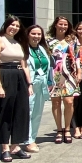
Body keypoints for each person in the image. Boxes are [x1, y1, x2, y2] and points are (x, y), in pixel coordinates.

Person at [0, 16, 33, 162]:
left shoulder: (18, 42)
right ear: (6, 25)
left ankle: (16, 145)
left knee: (22, 111)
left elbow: (24, 64)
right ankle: (5, 148)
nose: (14, 28)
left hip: (20, 75)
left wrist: (29, 83)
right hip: (5, 75)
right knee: (5, 111)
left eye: (17, 26)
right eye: (12, 25)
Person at [47, 16, 81, 144]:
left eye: (65, 25)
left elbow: (78, 57)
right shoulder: (48, 40)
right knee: (56, 102)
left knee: (69, 101)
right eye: (60, 24)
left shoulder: (72, 40)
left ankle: (67, 129)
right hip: (54, 74)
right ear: (55, 25)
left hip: (70, 74)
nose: (63, 27)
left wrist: (79, 72)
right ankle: (59, 130)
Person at [24, 25, 53, 153]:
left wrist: (49, 82)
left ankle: (33, 138)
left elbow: (48, 67)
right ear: (28, 34)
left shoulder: (42, 48)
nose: (36, 36)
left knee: (37, 113)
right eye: (33, 34)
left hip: (42, 84)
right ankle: (28, 140)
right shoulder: (24, 49)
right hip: (30, 84)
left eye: (39, 34)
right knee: (28, 112)